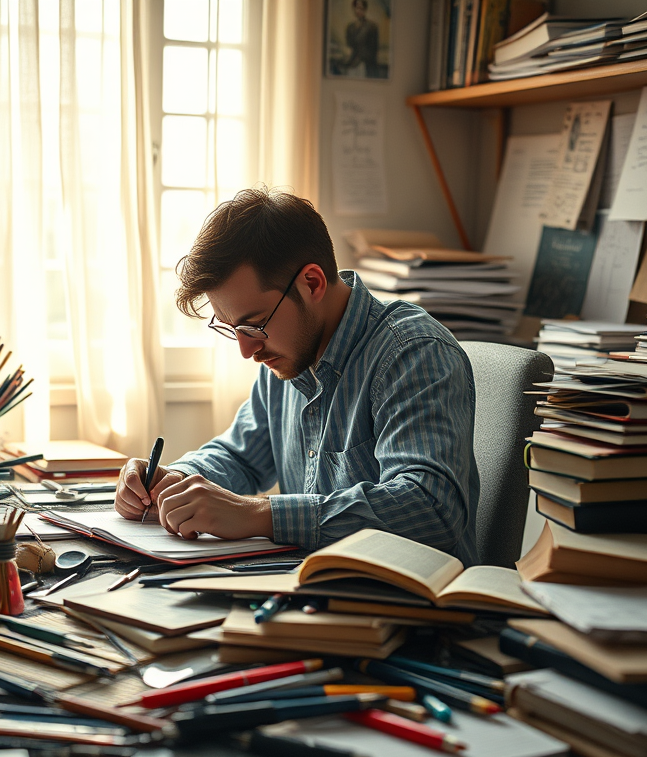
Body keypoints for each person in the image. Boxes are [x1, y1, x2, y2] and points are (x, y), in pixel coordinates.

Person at [115, 188, 479, 565]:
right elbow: (240, 457)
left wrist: (259, 514)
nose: (246, 350)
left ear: (312, 283)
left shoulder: (413, 352)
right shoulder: (286, 355)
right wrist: (172, 481)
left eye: (254, 326)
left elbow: (430, 508)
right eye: (231, 329)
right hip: (311, 594)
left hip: (411, 608)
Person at [339, 0, 380, 78]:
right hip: (352, 64)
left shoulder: (372, 27)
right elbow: (349, 47)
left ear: (365, 9)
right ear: (354, 9)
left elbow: (373, 50)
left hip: (365, 65)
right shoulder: (350, 27)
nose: (359, 11)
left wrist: (359, 59)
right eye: (357, 8)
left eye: (361, 8)